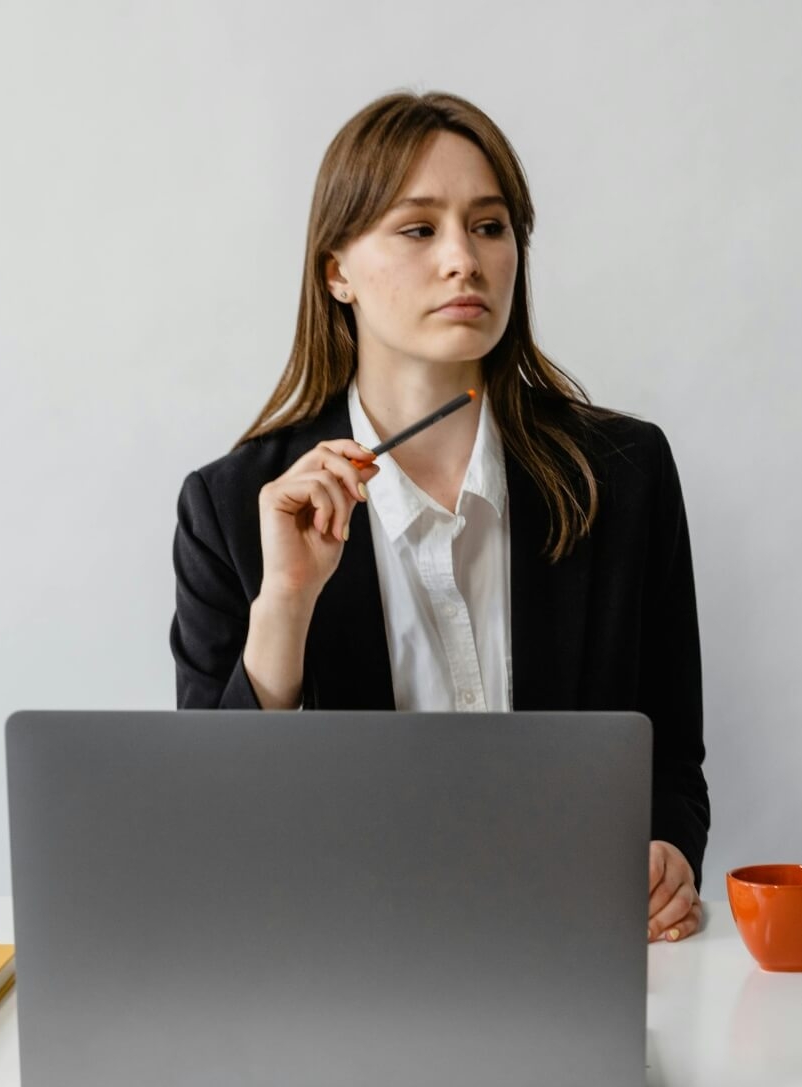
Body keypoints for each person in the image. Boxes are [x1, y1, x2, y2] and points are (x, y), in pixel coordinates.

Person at [170, 91, 708, 944]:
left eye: (490, 226)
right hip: (346, 964)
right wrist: (285, 609)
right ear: (336, 272)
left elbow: (671, 756)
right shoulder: (234, 509)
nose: (465, 259)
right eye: (419, 229)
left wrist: (667, 850)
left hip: (573, 949)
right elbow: (205, 831)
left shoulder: (624, 474)